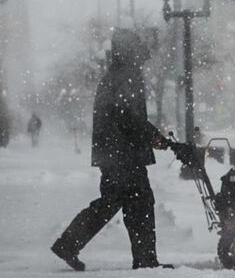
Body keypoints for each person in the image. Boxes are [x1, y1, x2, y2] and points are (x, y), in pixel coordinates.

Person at [51, 28, 172, 272]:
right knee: (139, 204)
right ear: (130, 51)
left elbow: (124, 115)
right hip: (123, 155)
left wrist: (149, 137)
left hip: (115, 154)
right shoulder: (126, 75)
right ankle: (145, 260)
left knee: (114, 203)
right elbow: (128, 116)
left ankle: (69, 244)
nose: (142, 55)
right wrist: (153, 137)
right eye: (138, 49)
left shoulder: (118, 73)